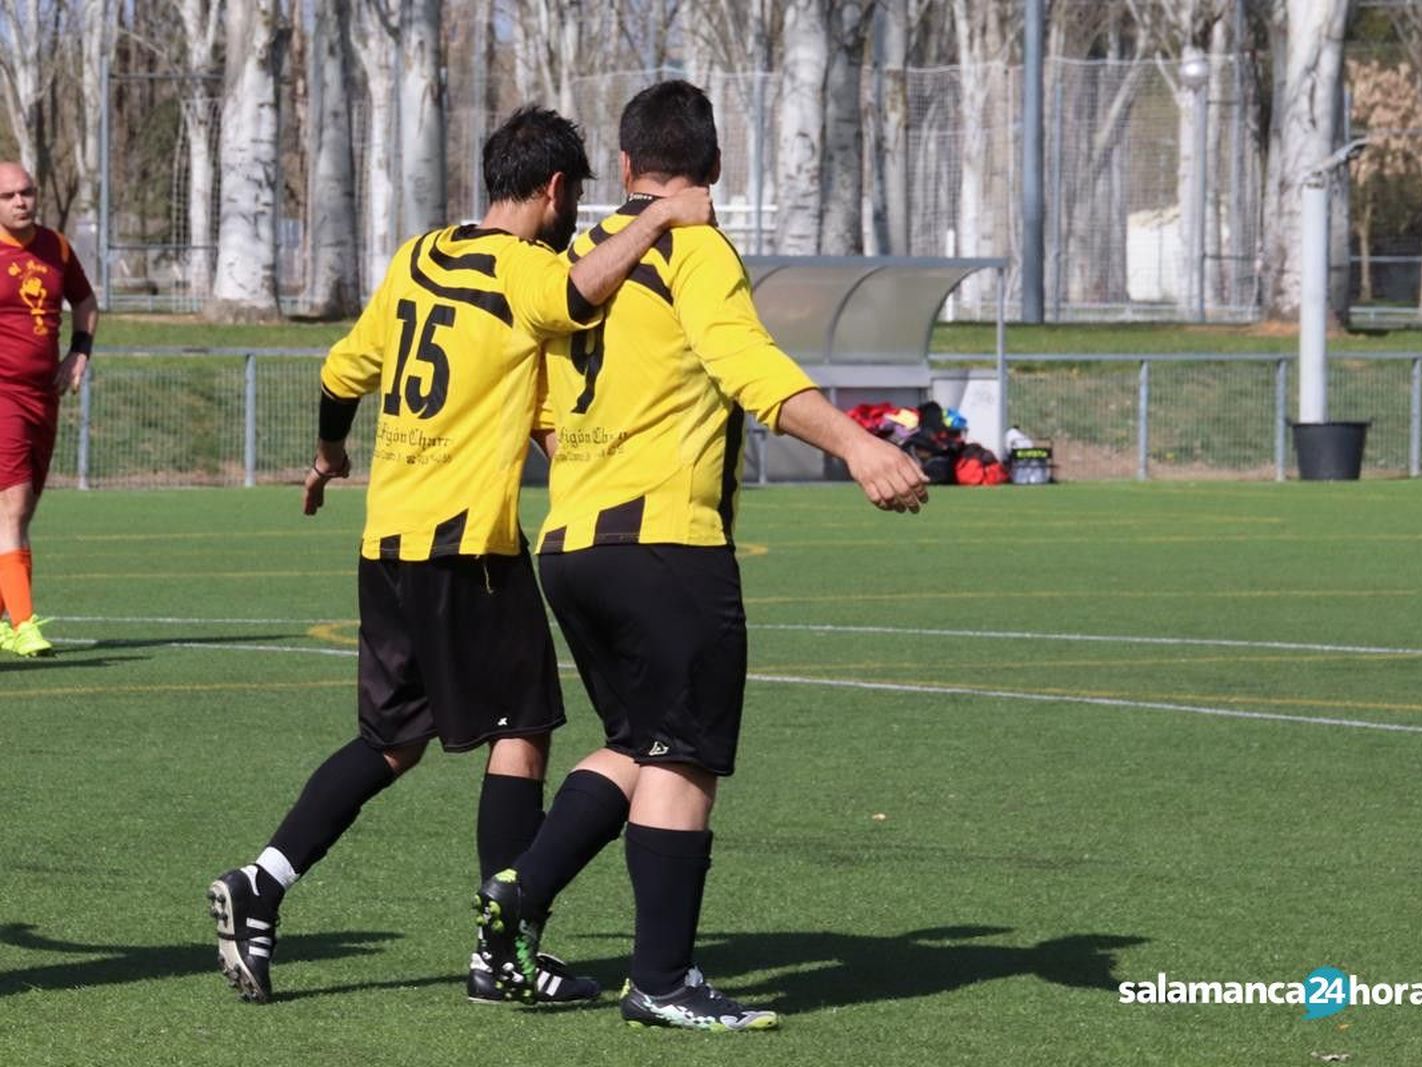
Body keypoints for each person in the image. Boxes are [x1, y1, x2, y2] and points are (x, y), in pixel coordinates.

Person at [205, 105, 714, 1006]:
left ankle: (263, 880)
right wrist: (660, 215)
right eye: (576, 200)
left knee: (391, 738)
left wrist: (329, 456)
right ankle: (500, 951)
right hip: (466, 543)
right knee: (523, 728)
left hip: (388, 536)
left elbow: (336, 376)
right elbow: (577, 292)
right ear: (553, 190)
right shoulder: (525, 268)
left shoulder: (416, 256)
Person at [470, 80, 929, 1032]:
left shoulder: (579, 258)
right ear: (714, 170)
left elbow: (544, 407)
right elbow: (747, 364)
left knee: (636, 742)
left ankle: (520, 891)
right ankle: (663, 979)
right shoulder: (694, 247)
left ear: (627, 168)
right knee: (685, 755)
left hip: (572, 544)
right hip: (665, 542)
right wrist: (858, 443)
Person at [0, 161, 96, 658]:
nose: (21, 202)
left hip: (44, 396)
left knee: (22, 510)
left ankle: (3, 620)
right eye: (9, 195)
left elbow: (85, 302)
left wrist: (80, 350)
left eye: (27, 192)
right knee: (12, 508)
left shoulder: (56, 247)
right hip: (3, 396)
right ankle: (23, 625)